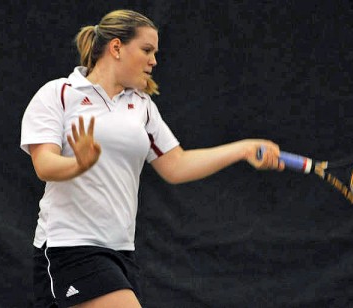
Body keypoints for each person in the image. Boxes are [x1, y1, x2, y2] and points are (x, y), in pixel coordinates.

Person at [21, 9, 284, 308]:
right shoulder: (58, 94)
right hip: (69, 247)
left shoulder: (142, 106)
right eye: (147, 50)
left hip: (121, 252)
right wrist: (78, 163)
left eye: (155, 52)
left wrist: (243, 149)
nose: (154, 61)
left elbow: (176, 165)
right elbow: (44, 165)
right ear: (116, 47)